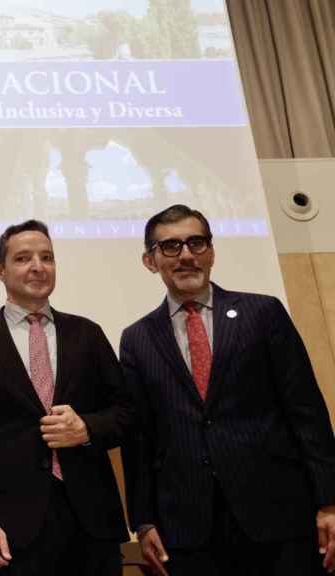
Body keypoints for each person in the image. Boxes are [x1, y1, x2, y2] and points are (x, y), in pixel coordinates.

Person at [121, 204, 335, 575]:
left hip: (279, 517)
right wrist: (144, 521)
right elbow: (141, 438)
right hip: (189, 530)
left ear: (212, 251)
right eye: (171, 247)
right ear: (150, 261)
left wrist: (329, 501)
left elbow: (306, 411)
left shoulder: (262, 313)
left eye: (196, 242)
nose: (186, 255)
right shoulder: (137, 338)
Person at [0, 219, 132, 575]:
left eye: (47, 257)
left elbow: (127, 413)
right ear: (0, 270)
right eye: (23, 258)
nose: (38, 266)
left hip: (92, 521)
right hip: (13, 528)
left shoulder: (87, 334)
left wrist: (87, 428)